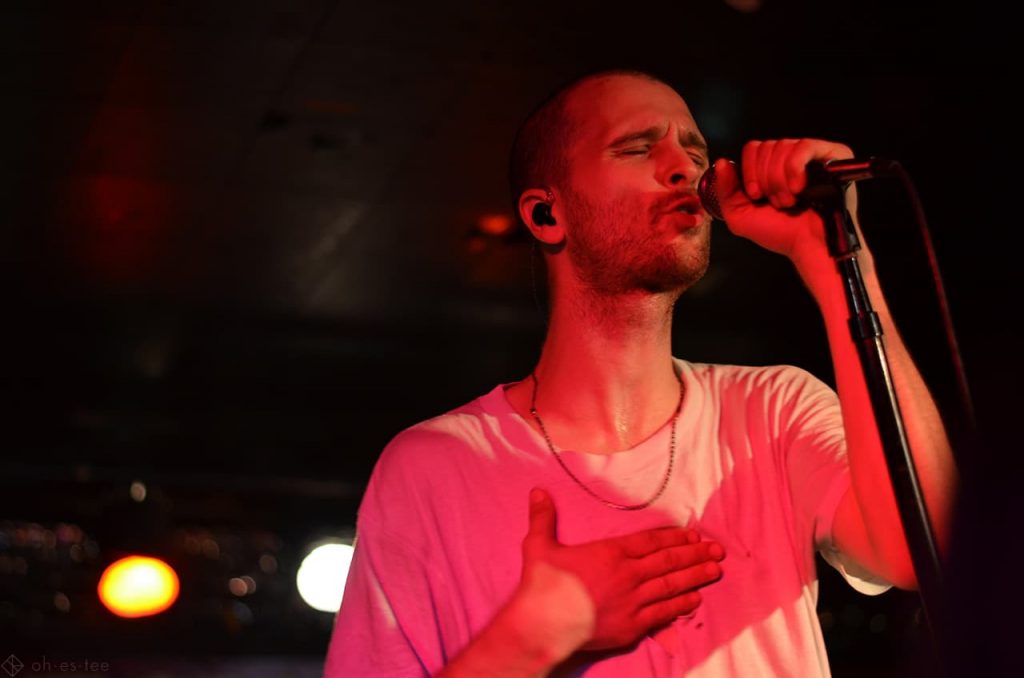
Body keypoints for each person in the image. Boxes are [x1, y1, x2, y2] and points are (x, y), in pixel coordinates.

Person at [324, 70, 957, 677]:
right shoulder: (434, 466)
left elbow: (928, 546)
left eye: (694, 148)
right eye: (636, 148)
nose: (684, 166)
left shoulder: (773, 408)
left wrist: (835, 260)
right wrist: (531, 640)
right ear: (548, 216)